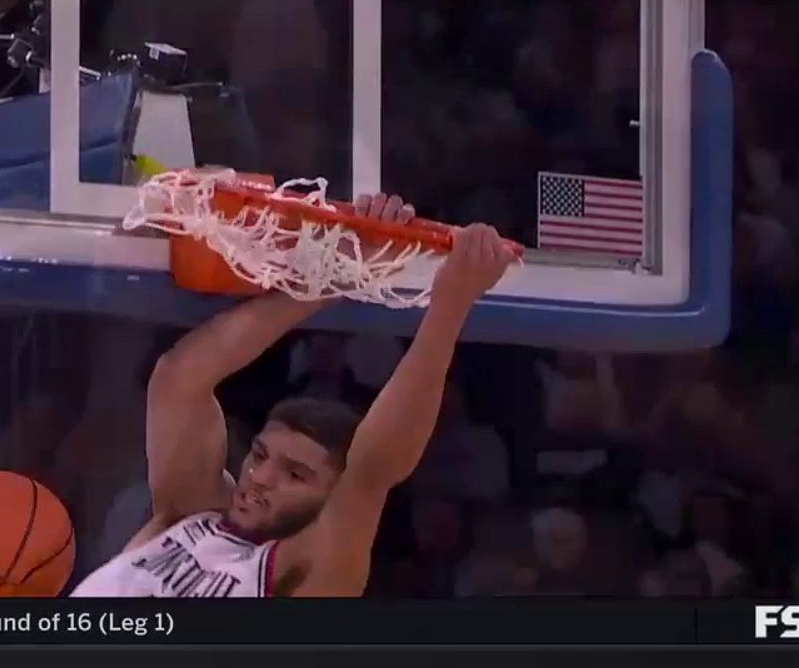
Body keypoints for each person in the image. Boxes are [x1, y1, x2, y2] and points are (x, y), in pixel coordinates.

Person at [71, 194, 516, 597]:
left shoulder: (306, 573)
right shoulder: (190, 512)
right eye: (260, 455)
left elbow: (375, 466)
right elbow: (179, 378)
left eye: (295, 475)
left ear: (332, 497)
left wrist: (451, 304)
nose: (260, 477)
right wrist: (339, 275)